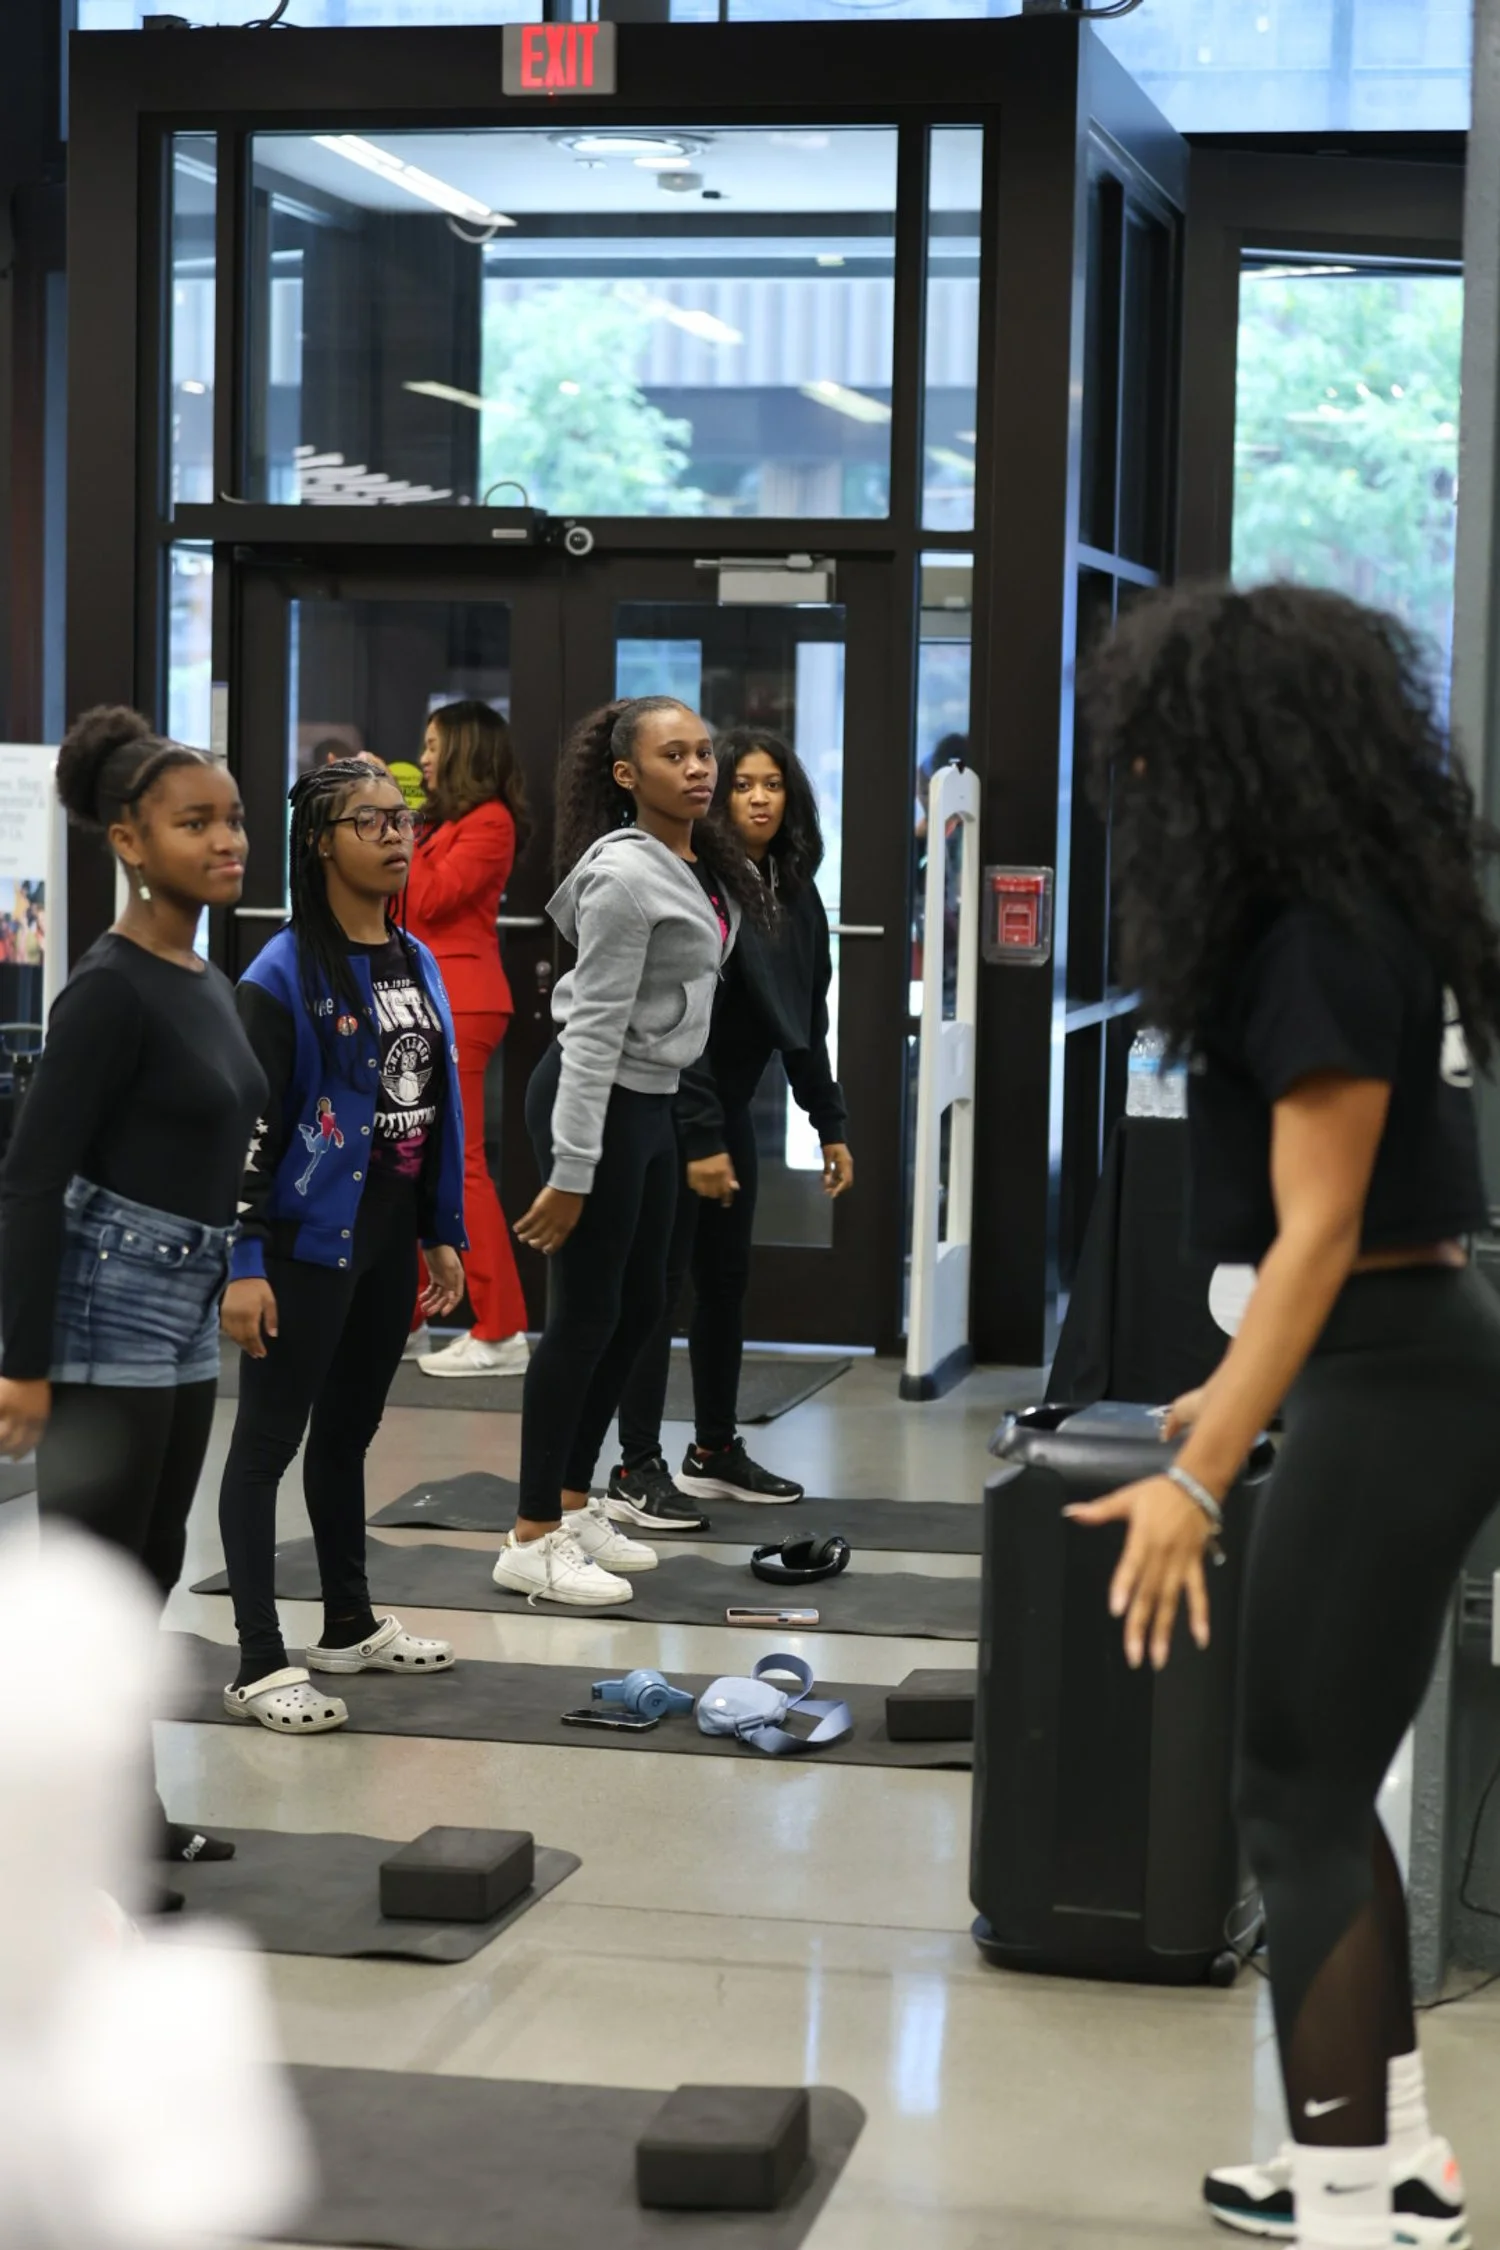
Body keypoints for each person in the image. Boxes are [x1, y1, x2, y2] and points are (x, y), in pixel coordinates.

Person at [1066, 583, 1495, 2250]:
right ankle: (1383, 2161)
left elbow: (1327, 1227)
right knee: (1329, 1784)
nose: (1145, 772)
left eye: (1165, 743)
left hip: (1400, 1370)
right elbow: (1344, 1242)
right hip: (1386, 1359)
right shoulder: (1343, 902)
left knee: (1295, 1797)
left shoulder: (1313, 928)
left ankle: (1352, 2208)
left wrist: (1200, 1460)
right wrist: (1236, 1386)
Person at [0, 704, 267, 1883]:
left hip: (182, 1302)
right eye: (194, 823)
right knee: (96, 1597)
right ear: (127, 840)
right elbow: (30, 1180)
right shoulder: (106, 991)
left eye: (233, 819)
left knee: (150, 1569)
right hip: (105, 1304)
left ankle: (120, 1817)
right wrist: (22, 1360)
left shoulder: (201, 974)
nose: (226, 841)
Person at [492, 696, 765, 1607]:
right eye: (674, 755)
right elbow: (595, 1032)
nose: (699, 769)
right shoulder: (622, 877)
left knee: (640, 1306)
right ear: (625, 776)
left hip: (647, 1104)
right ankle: (530, 1535)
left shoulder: (695, 863)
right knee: (581, 1318)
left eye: (704, 752)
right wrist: (570, 1173)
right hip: (594, 1099)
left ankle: (573, 1507)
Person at [216, 759, 468, 1732]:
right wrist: (243, 1263)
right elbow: (252, 1133)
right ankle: (256, 1660)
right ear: (322, 841)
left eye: (404, 821)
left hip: (387, 1233)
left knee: (351, 1433)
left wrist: (441, 1233)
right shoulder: (278, 975)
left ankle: (348, 1622)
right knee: (264, 1447)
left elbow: (431, 1107)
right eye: (373, 823)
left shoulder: (417, 959)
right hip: (301, 1241)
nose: (398, 837)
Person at [611, 727, 854, 1528]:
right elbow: (687, 1026)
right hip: (671, 1107)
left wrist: (830, 1122)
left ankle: (713, 1449)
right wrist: (704, 1138)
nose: (757, 796)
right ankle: (635, 1467)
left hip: (726, 1114)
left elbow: (806, 1020)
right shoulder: (704, 884)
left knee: (724, 1285)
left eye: (772, 784)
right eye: (742, 782)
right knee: (657, 1292)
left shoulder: (792, 885)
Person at [404, 699, 532, 1378]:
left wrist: (400, 830)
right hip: (420, 1002)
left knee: (463, 1166)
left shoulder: (489, 822)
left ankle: (502, 1329)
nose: (423, 757)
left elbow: (427, 902)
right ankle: (406, 1321)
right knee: (403, 1162)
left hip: (463, 1003)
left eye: (432, 745)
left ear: (463, 752)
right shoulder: (439, 824)